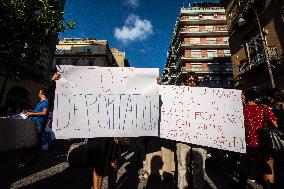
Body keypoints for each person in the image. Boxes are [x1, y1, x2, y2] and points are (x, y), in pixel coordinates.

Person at [176, 72, 216, 189]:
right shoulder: (178, 95)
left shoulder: (204, 95)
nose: (191, 83)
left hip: (200, 136)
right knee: (182, 165)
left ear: (197, 83)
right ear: (185, 82)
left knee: (199, 166)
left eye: (194, 81)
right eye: (189, 80)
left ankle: (198, 187)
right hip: (182, 136)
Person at [240, 88, 278, 189]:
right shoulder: (264, 108)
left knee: (245, 169)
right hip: (263, 144)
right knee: (267, 169)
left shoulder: (241, 110)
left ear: (246, 98)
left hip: (247, 144)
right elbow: (275, 125)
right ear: (256, 98)